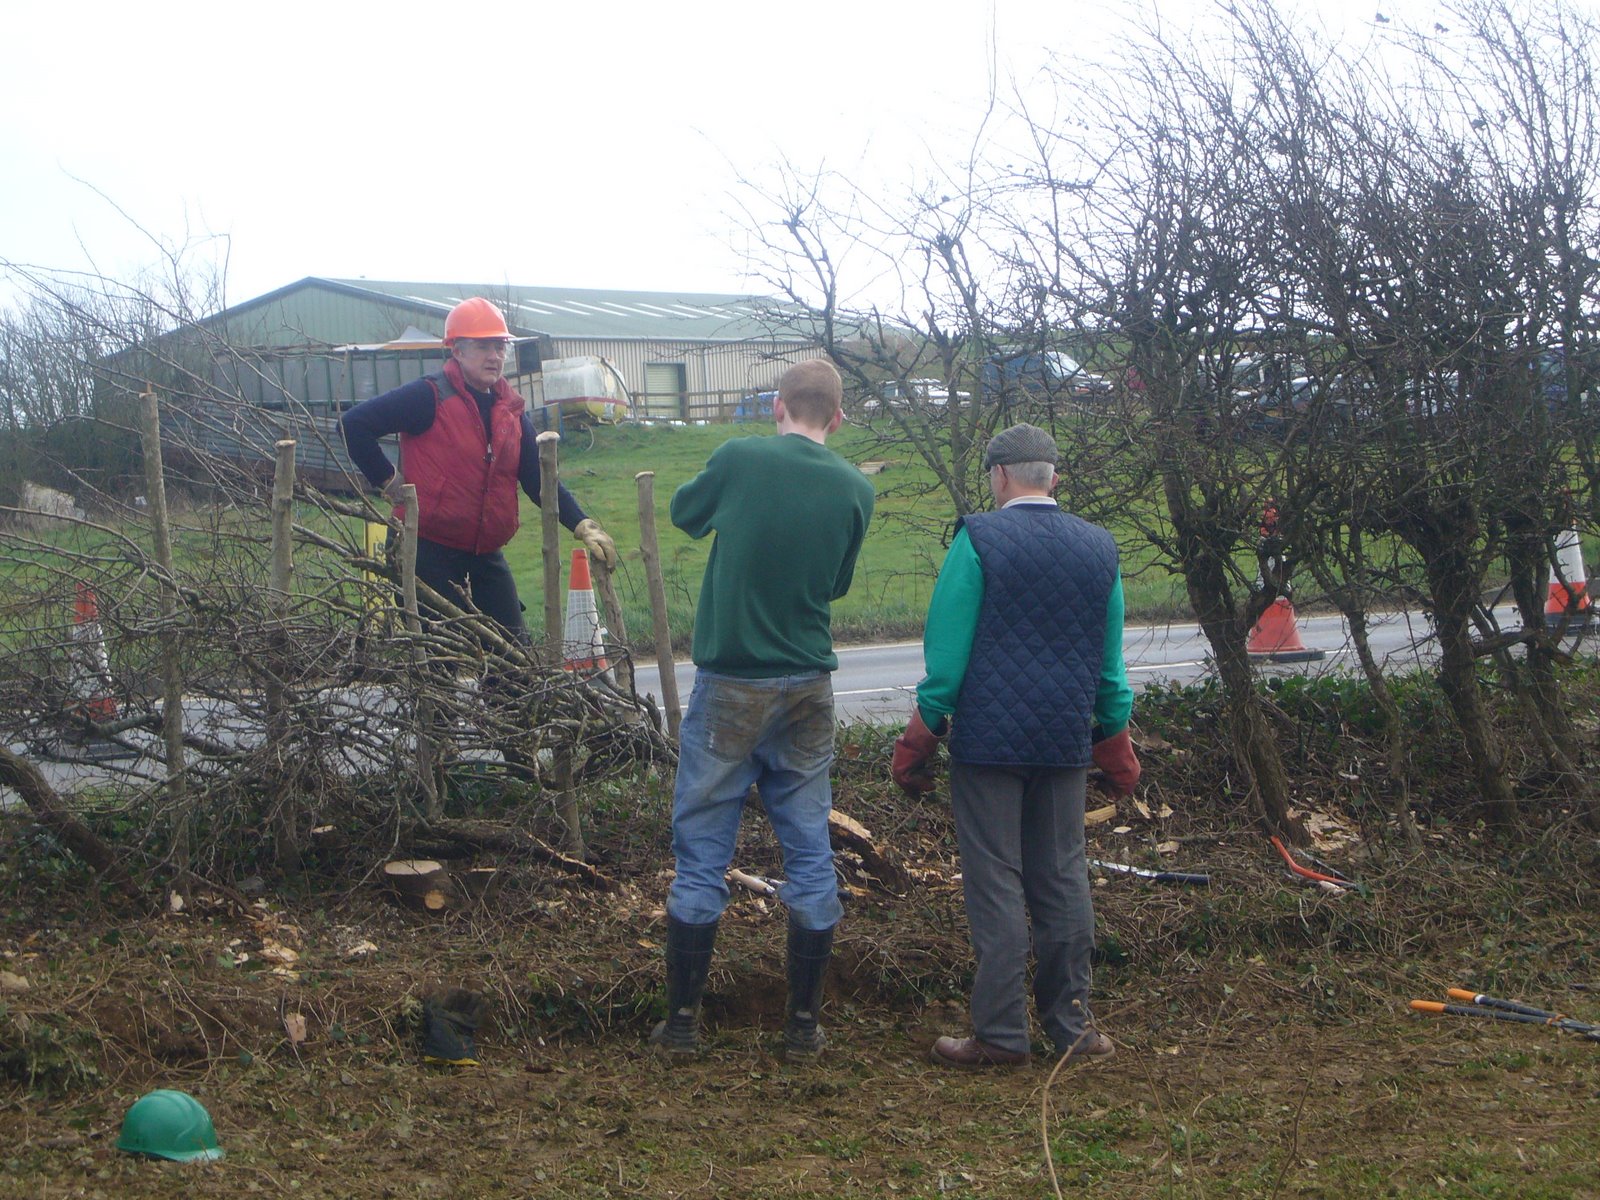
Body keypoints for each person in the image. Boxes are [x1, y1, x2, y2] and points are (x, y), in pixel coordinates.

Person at [891, 422, 1140, 1069]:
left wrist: (922, 734)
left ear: (1000, 477)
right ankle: (1073, 1026)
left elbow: (947, 654)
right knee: (1061, 876)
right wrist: (1115, 740)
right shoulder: (1099, 549)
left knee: (996, 878)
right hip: (1062, 740)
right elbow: (1110, 666)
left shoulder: (978, 540)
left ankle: (1001, 1035)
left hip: (988, 744)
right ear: (1053, 477)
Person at [651, 357, 875, 1064]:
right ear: (837, 419)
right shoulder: (854, 488)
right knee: (809, 847)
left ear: (777, 406)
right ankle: (803, 1028)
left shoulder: (739, 456)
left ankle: (682, 1023)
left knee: (703, 851)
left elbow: (685, 514)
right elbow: (836, 585)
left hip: (733, 683)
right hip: (809, 684)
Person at [340, 296, 617, 644]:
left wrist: (582, 525)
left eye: (500, 347)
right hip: (426, 551)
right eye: (484, 346)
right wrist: (390, 482)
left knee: (515, 664)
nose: (495, 356)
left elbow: (538, 480)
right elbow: (353, 425)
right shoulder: (428, 396)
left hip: (484, 555)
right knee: (440, 668)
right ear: (456, 350)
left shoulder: (510, 411)